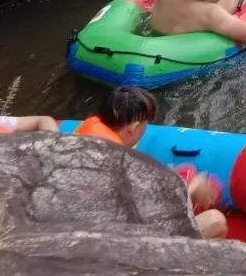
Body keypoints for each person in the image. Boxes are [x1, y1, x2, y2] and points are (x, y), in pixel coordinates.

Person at [74, 86, 228, 240]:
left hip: (78, 226)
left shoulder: (85, 135)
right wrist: (193, 187)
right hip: (116, 243)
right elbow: (158, 213)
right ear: (134, 128)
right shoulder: (120, 165)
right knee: (216, 222)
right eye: (144, 124)